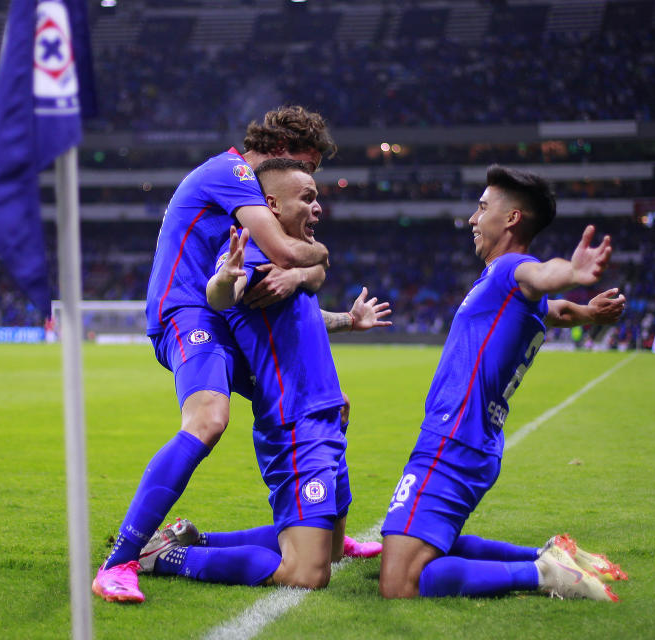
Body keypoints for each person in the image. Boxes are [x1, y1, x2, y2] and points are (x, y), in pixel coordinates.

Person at [93, 107, 340, 603]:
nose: (307, 182)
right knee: (208, 418)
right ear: (279, 149)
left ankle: (321, 527)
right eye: (305, 167)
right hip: (188, 311)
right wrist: (321, 256)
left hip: (223, 316)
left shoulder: (243, 181)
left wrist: (310, 270)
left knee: (328, 399)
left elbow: (297, 266)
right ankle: (121, 560)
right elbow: (289, 252)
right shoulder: (233, 173)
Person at [378, 165, 627, 602]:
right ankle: (552, 554)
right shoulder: (509, 287)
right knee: (427, 544)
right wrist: (588, 312)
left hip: (452, 440)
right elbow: (556, 309)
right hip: (472, 440)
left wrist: (571, 270)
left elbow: (542, 274)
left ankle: (543, 574)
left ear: (511, 219)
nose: (473, 219)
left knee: (400, 582)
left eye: (481, 208)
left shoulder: (514, 268)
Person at [138, 159, 390, 590]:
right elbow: (222, 296)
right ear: (270, 204)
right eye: (306, 198)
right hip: (296, 424)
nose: (317, 208)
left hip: (328, 416)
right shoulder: (250, 252)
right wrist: (224, 277)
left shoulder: (290, 267)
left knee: (331, 548)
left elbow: (298, 321)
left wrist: (348, 319)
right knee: (308, 574)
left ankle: (197, 538)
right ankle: (169, 557)